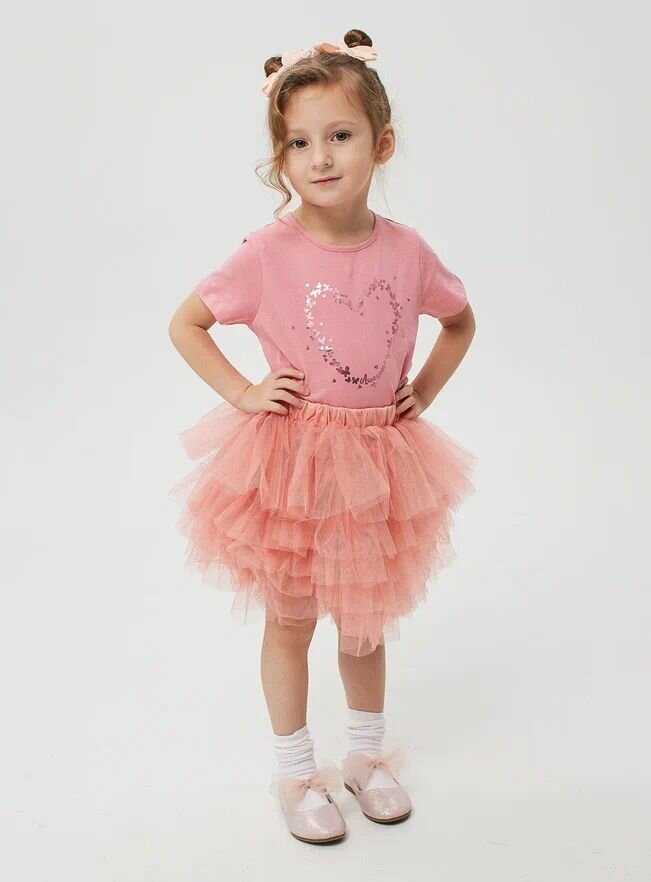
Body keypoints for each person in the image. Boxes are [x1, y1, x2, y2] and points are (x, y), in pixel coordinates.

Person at [168, 29, 477, 844]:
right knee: (293, 618)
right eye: (299, 143)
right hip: (294, 462)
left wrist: (421, 391)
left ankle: (367, 758)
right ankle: (296, 770)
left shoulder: (407, 251)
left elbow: (460, 320)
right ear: (281, 156)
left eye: (339, 135)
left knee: (364, 621)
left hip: (378, 461)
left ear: (381, 144)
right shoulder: (267, 252)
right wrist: (244, 391)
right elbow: (188, 322)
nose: (320, 158)